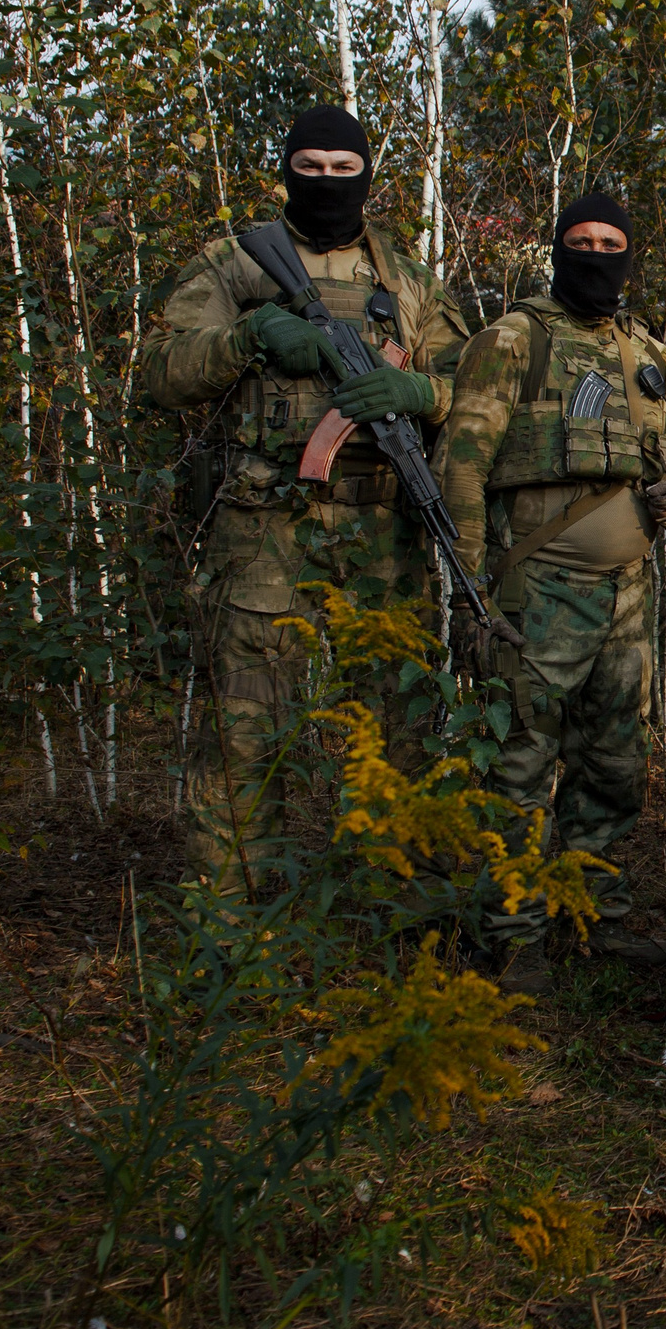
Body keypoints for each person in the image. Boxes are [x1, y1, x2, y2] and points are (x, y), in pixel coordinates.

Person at [146, 104, 471, 895]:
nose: (328, 182)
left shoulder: (408, 281)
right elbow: (159, 371)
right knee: (245, 727)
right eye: (311, 167)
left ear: (367, 175)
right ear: (287, 170)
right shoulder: (234, 266)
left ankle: (395, 903)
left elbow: (474, 388)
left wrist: (421, 391)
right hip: (265, 528)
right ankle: (230, 915)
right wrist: (249, 336)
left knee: (396, 725)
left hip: (385, 527)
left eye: (344, 168)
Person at [436, 192, 666, 962]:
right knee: (520, 764)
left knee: (615, 763)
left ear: (631, 256)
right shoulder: (511, 340)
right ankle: (513, 936)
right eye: (580, 241)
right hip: (536, 591)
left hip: (630, 593)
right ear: (557, 248)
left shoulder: (654, 358)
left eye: (610, 243)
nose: (596, 256)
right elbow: (462, 470)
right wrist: (469, 595)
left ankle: (593, 917)